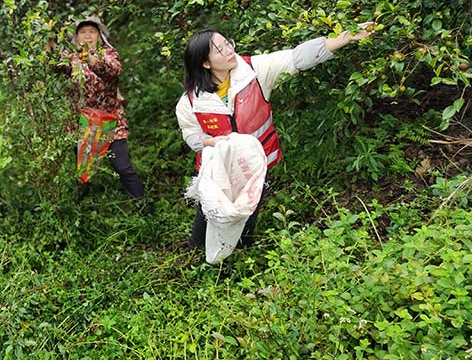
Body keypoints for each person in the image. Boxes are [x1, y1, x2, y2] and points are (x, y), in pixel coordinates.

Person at [176, 24, 374, 250]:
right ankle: (198, 257)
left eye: (227, 43)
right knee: (210, 214)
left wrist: (346, 37)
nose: (229, 50)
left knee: (246, 215)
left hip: (254, 169)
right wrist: (212, 142)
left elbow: (297, 58)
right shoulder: (191, 101)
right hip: (216, 172)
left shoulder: (254, 72)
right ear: (206, 63)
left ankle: (240, 260)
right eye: (220, 50)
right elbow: (192, 136)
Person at [57, 16, 146, 202]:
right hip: (83, 123)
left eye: (92, 32)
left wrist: (89, 58)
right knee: (83, 170)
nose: (87, 36)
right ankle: (83, 208)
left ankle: (142, 206)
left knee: (122, 166)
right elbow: (54, 66)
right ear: (77, 37)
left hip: (109, 121)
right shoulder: (72, 58)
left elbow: (112, 71)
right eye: (83, 32)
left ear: (99, 35)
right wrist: (48, 42)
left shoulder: (108, 54)